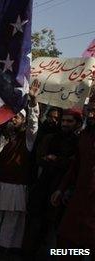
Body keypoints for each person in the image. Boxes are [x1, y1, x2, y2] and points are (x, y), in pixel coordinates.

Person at [0, 84, 40, 251]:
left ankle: (7, 248)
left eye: (16, 118)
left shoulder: (28, 139)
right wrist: (4, 137)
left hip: (17, 186)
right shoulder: (6, 135)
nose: (13, 120)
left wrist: (33, 101)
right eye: (12, 117)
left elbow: (34, 124)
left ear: (23, 120)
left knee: (12, 218)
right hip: (1, 183)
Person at [25, 109, 82, 257]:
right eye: (63, 120)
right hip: (43, 188)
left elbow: (74, 166)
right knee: (35, 225)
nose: (65, 124)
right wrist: (58, 161)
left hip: (62, 192)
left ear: (77, 124)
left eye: (70, 121)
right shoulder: (50, 138)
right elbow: (40, 159)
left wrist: (57, 160)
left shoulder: (79, 143)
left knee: (54, 231)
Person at [51, 96, 95, 257]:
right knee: (65, 246)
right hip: (79, 202)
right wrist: (61, 189)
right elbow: (75, 166)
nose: (90, 115)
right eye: (89, 110)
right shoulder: (85, 136)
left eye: (94, 111)